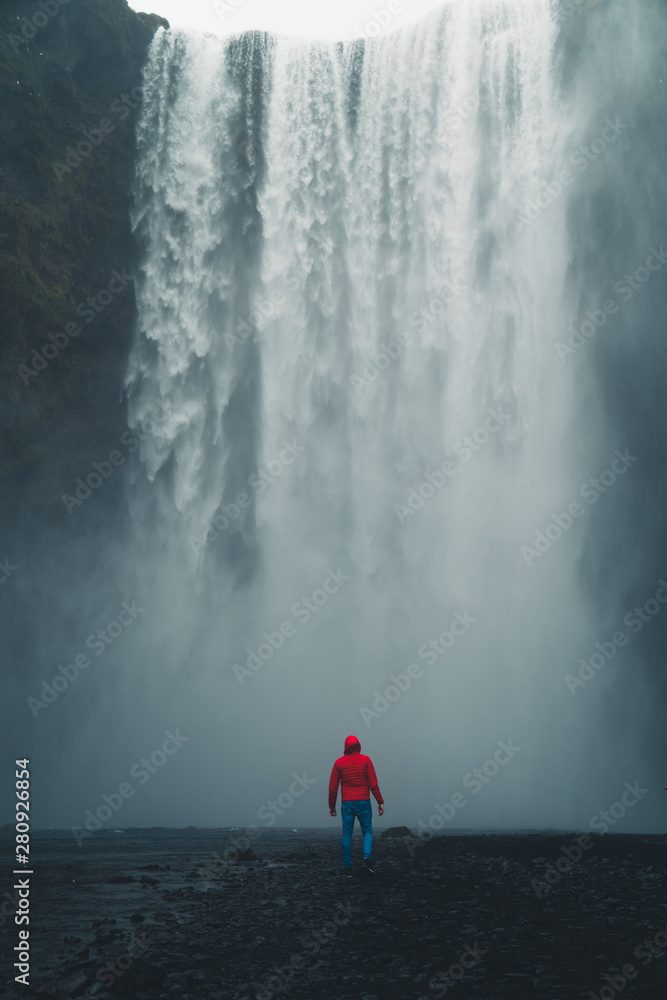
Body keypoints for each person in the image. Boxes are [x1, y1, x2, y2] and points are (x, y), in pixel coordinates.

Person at [329, 734, 384, 875]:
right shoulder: (366, 760)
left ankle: (347, 869)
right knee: (367, 832)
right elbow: (373, 784)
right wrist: (380, 801)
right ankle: (366, 860)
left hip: (347, 803)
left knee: (347, 835)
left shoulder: (339, 763)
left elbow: (333, 788)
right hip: (364, 802)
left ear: (345, 746)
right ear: (358, 745)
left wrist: (332, 806)